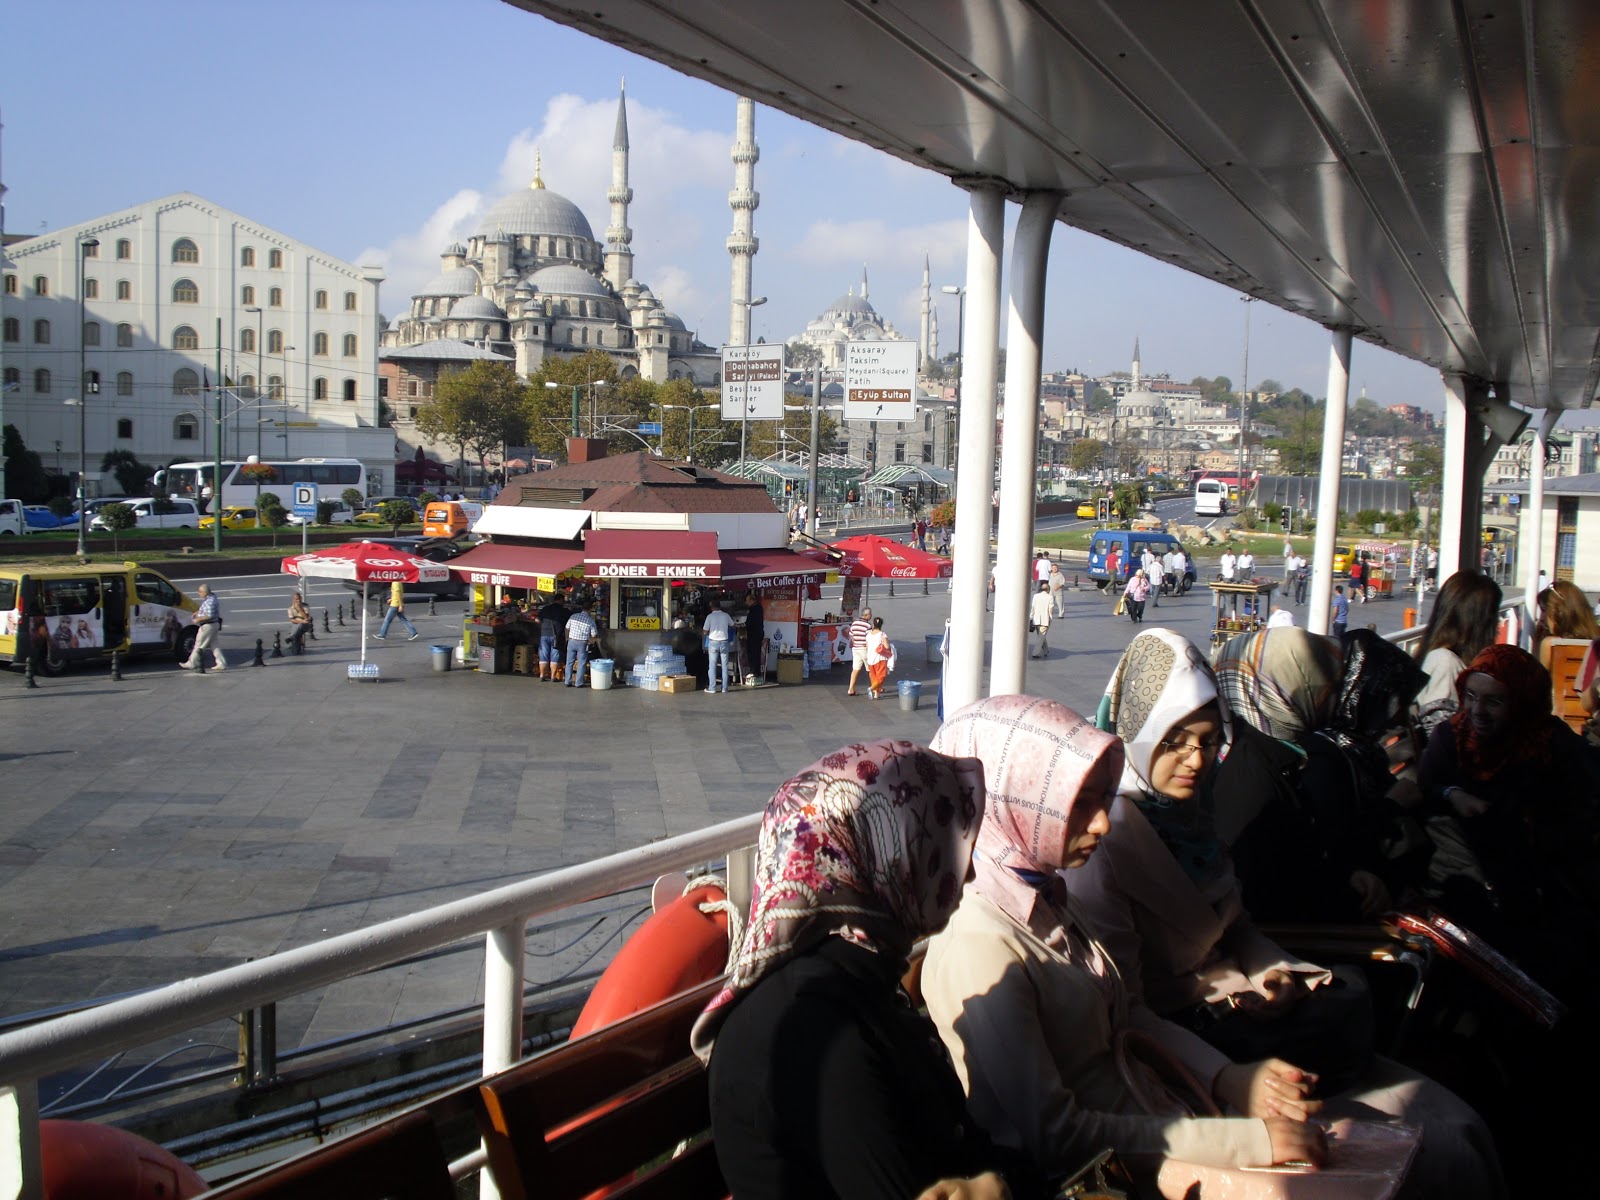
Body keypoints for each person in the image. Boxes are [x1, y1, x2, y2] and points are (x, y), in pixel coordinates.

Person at [1075, 633, 1505, 1197]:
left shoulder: (1195, 819)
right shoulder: (1105, 845)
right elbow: (1129, 1011)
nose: (1196, 760)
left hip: (1257, 1027)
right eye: (1175, 740)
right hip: (1192, 1062)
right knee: (1436, 1148)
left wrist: (1278, 976)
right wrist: (1228, 1075)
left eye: (1208, 741)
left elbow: (1238, 926)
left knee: (1458, 1127)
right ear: (1138, 730)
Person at [923, 696, 1327, 1186]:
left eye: (1103, 798)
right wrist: (1247, 1142)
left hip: (1159, 1131)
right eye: (1078, 803)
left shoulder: (1044, 894)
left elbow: (1125, 1014)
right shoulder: (980, 945)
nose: (1102, 823)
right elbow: (1058, 1138)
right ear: (1014, 801)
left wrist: (1230, 1078)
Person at [694, 741, 1042, 1200]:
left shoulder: (849, 979)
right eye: (943, 843)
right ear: (886, 855)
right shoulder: (819, 1033)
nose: (968, 873)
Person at [1419, 643, 1600, 990]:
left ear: (1521, 703)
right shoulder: (1451, 738)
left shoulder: (1550, 743)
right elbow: (1426, 788)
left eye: (1494, 701)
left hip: (1545, 876)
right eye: (1471, 697)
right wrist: (1452, 794)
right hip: (1471, 880)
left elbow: (1582, 804)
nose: (1477, 711)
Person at [1211, 628, 1419, 923]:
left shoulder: (1277, 751)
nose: (1331, 693)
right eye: (1316, 685)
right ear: (1280, 693)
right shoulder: (1257, 772)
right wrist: (1349, 892)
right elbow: (1269, 893)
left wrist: (1349, 876)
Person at [1413, 572, 1502, 733]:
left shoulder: (1439, 657)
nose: (1499, 625)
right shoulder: (1445, 664)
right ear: (1480, 623)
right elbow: (1441, 735)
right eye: (1495, 616)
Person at [1532, 578, 1599, 662]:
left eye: (1544, 610)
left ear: (1560, 612)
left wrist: (1536, 642)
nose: (1541, 617)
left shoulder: (1551, 645)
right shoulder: (1596, 641)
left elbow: (1538, 669)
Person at [181, 583, 226, 671]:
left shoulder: (210, 602)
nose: (199, 594)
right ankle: (221, 663)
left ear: (204, 592)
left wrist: (198, 619)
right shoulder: (211, 598)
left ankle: (192, 663)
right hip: (213, 625)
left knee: (199, 644)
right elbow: (206, 610)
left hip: (208, 626)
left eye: (200, 592)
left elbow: (209, 615)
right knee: (214, 645)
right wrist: (198, 612)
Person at [703, 599, 737, 694]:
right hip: (724, 642)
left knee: (712, 666)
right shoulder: (726, 615)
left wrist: (708, 632)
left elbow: (705, 631)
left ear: (711, 607)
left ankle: (712, 688)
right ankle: (724, 688)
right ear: (720, 606)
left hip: (713, 642)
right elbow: (733, 625)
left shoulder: (709, 616)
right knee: (725, 666)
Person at [563, 601, 598, 688]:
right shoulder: (590, 620)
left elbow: (567, 628)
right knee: (581, 663)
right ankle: (578, 683)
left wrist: (567, 638)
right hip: (582, 643)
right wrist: (591, 641)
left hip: (571, 641)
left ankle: (567, 681)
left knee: (569, 662)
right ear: (590, 609)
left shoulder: (573, 616)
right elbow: (594, 634)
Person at [535, 593, 569, 682]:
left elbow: (537, 619)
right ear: (560, 600)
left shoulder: (545, 608)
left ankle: (542, 675)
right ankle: (553, 677)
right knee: (555, 655)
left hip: (544, 634)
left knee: (543, 655)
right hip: (556, 636)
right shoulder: (564, 611)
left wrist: (543, 626)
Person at [865, 617, 894, 699]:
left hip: (870, 659)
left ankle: (876, 694)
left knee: (874, 677)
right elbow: (887, 646)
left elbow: (867, 647)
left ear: (873, 624)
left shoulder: (868, 634)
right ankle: (871, 688)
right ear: (881, 625)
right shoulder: (882, 634)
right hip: (880, 658)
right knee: (881, 676)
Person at [846, 606, 873, 696]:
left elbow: (851, 636)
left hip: (855, 649)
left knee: (855, 669)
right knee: (870, 670)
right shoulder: (868, 626)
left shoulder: (854, 623)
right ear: (866, 615)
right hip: (864, 649)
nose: (871, 616)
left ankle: (851, 689)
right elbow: (869, 639)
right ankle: (874, 687)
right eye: (870, 614)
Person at [742, 591, 765, 684]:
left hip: (754, 634)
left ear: (752, 600)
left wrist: (743, 626)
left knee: (753, 653)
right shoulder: (757, 608)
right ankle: (755, 671)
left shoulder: (755, 609)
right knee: (755, 653)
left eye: (747, 601)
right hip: (757, 634)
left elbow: (750, 623)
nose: (746, 603)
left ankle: (754, 671)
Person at [1028, 581, 1052, 659]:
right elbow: (1050, 609)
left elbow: (1033, 607)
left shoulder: (1036, 596)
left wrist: (1031, 617)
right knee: (1041, 637)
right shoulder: (1050, 597)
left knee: (1041, 635)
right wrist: (1050, 618)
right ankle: (1035, 653)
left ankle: (1046, 650)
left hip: (1036, 619)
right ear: (1048, 590)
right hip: (1045, 619)